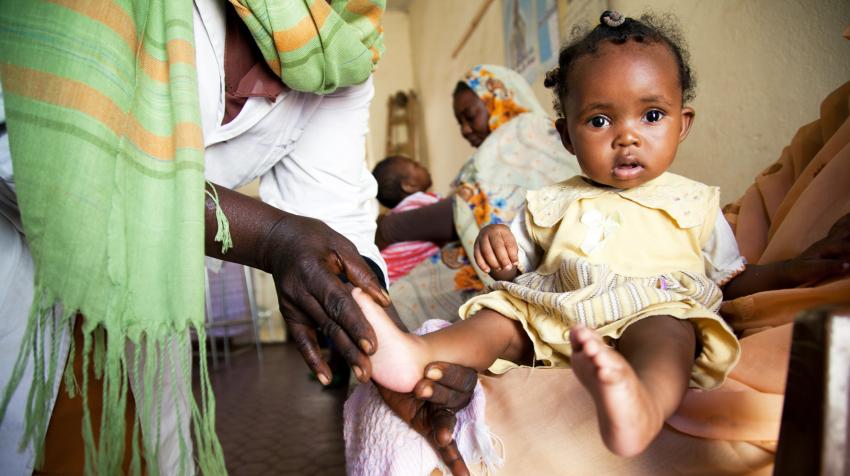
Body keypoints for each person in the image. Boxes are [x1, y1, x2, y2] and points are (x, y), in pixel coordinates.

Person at [353, 17, 850, 476]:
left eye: (651, 114)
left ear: (683, 122)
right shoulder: (548, 201)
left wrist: (797, 268)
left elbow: (732, 276)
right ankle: (419, 351)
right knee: (500, 319)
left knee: (673, 332)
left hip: (652, 305)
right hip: (557, 313)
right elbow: (513, 268)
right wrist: (495, 241)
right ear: (566, 136)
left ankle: (641, 405)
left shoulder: (696, 201)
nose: (627, 136)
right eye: (599, 121)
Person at [0, 1, 470, 474]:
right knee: (27, 439)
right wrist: (269, 238)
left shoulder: (343, 46)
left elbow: (336, 211)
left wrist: (387, 351)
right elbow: (32, 148)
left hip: (152, 282)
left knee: (157, 447)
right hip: (19, 250)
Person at [376, 64, 581, 328]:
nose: (464, 130)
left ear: (498, 100)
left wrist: (389, 228)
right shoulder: (504, 150)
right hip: (496, 265)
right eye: (460, 122)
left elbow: (465, 208)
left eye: (470, 116)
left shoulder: (524, 132)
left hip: (520, 268)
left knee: (390, 312)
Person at [373, 155, 441, 283]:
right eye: (415, 165)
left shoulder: (396, 213)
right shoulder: (421, 202)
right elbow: (458, 210)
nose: (420, 164)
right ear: (409, 185)